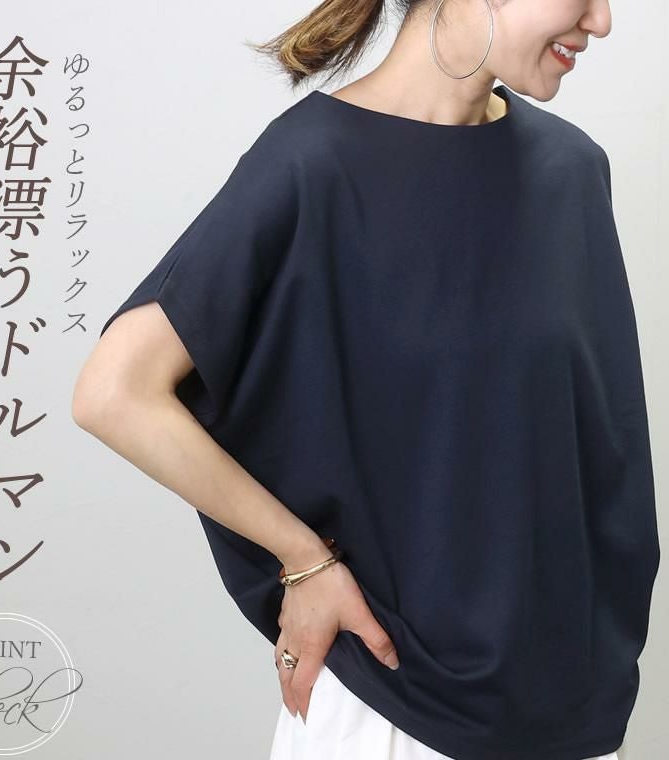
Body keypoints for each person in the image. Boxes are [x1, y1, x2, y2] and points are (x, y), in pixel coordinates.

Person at [72, 0, 660, 758]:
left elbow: (600, 456)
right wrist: (304, 559)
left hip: (567, 712)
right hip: (391, 707)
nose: (602, 21)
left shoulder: (571, 170)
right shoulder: (313, 162)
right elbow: (114, 392)